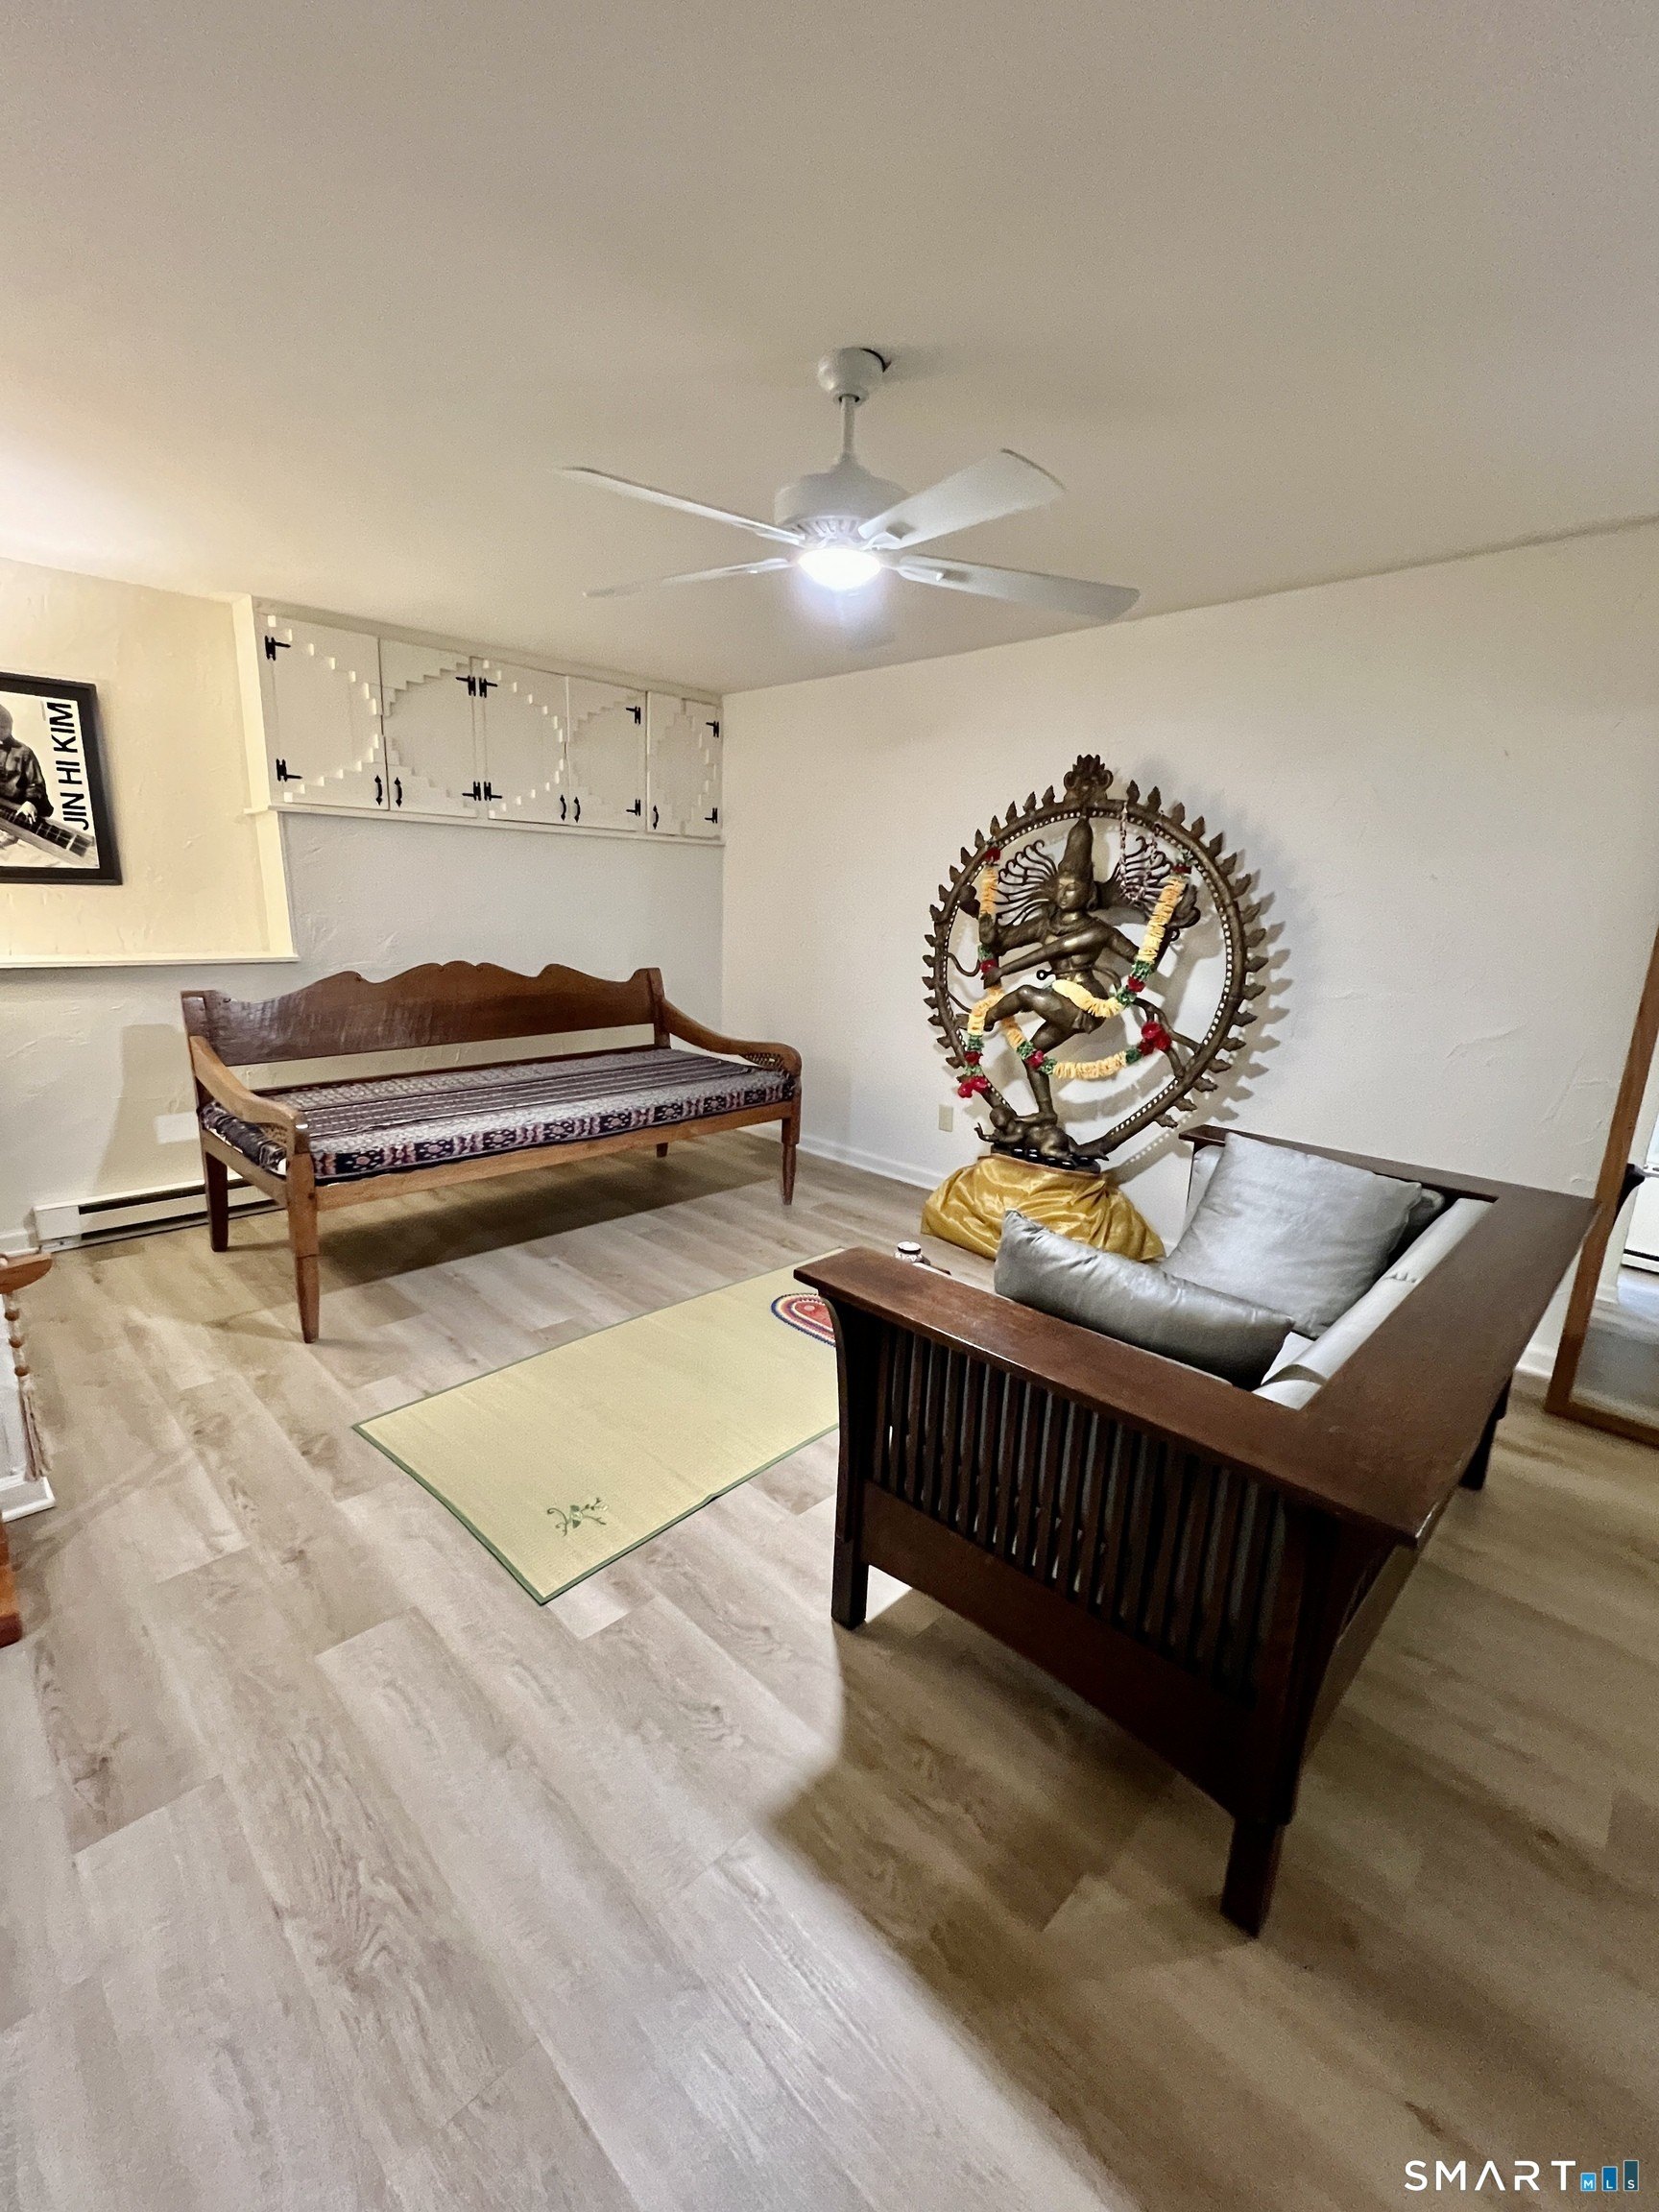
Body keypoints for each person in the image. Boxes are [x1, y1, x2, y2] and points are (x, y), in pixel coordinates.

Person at [0, 704, 51, 829]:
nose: (1, 730)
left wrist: (31, 802)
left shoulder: (23, 752)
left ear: (9, 727)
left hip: (14, 813)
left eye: (3, 727)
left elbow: (36, 784)